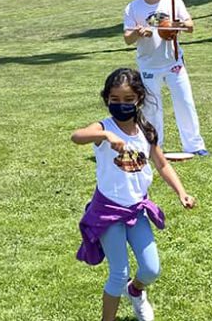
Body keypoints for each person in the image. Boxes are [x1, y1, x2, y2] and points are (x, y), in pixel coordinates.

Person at [73, 68, 196, 321]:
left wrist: (181, 192)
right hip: (108, 212)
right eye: (114, 100)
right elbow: (77, 136)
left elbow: (162, 164)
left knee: (151, 269)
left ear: (139, 98)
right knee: (118, 273)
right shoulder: (103, 127)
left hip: (136, 210)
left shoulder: (145, 131)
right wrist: (105, 135)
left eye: (128, 100)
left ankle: (136, 290)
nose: (121, 105)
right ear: (106, 98)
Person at [122, 0, 208, 156]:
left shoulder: (173, 1)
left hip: (174, 63)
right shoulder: (133, 7)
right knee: (152, 107)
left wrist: (176, 26)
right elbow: (127, 39)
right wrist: (138, 33)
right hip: (148, 64)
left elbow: (190, 26)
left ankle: (195, 146)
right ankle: (154, 146)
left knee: (185, 102)